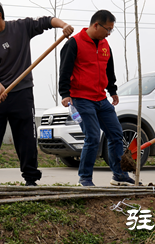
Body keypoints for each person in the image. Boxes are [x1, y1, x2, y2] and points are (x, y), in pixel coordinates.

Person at [0, 0, 74, 186]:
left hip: (22, 93)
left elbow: (47, 21)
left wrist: (64, 25)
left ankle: (30, 179)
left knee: (26, 137)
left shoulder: (20, 27)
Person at [58, 10, 135, 187]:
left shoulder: (105, 44)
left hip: (101, 99)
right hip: (81, 99)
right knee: (92, 137)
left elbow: (109, 70)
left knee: (116, 134)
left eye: (111, 30)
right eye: (107, 29)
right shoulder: (74, 43)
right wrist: (65, 94)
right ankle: (85, 178)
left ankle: (119, 175)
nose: (109, 33)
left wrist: (113, 90)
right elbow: (65, 70)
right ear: (95, 25)